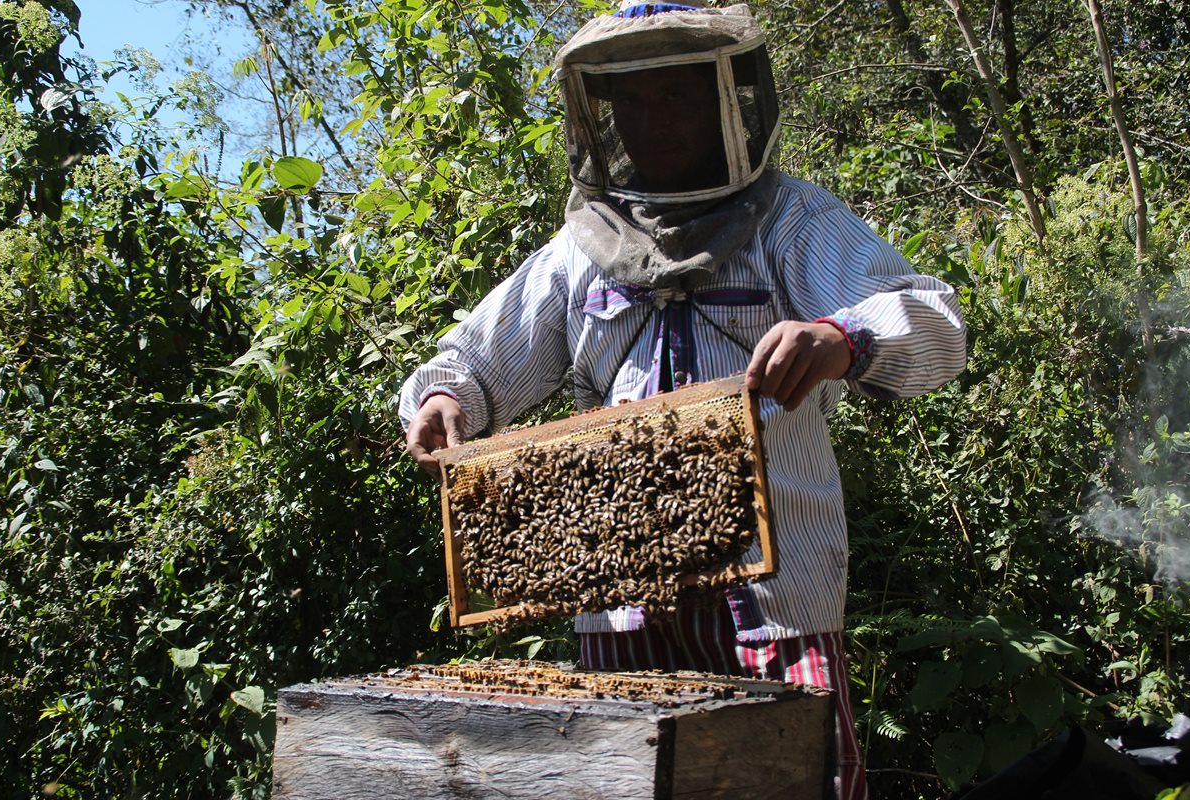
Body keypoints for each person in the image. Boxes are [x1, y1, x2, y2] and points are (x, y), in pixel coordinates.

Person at [400, 2, 967, 798]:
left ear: (724, 101)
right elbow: (469, 362)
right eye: (632, 102)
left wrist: (842, 338)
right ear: (604, 116)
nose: (652, 121)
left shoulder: (792, 221)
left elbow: (933, 322)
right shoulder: (579, 253)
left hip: (773, 607)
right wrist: (442, 398)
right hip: (621, 609)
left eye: (675, 97)